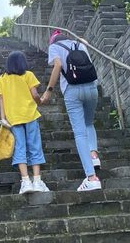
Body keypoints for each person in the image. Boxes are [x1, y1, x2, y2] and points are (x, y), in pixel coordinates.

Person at [40, 30, 101, 191]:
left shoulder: (54, 46)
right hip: (92, 88)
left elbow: (58, 65)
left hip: (72, 91)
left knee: (80, 133)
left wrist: (49, 90)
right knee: (89, 123)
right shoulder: (80, 44)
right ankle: (94, 155)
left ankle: (92, 178)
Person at [0, 50, 50, 194]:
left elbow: (2, 100)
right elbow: (35, 95)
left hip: (13, 118)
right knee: (35, 145)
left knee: (19, 147)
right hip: (30, 115)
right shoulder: (28, 75)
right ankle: (37, 181)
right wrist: (41, 101)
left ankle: (26, 181)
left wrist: (3, 118)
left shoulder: (2, 79)